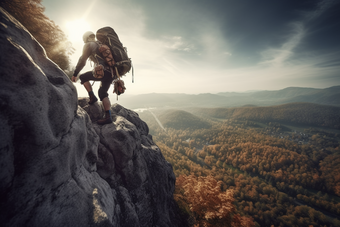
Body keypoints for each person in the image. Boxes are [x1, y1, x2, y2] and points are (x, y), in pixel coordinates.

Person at [71, 31, 115, 125]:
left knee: (82, 77)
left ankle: (92, 96)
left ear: (86, 38)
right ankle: (108, 116)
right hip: (111, 73)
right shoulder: (101, 44)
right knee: (103, 92)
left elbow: (83, 60)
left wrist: (75, 74)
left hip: (102, 71)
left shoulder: (89, 44)